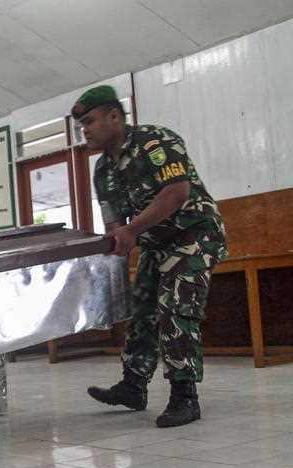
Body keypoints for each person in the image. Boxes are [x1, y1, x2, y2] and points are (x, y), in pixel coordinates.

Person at [75, 86, 227, 428]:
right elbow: (115, 226)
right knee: (141, 308)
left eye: (90, 121)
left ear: (115, 116)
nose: (84, 129)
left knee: (176, 307)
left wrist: (131, 231)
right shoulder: (102, 171)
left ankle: (184, 396)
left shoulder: (155, 142)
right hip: (156, 243)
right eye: (81, 124)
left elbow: (176, 193)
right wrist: (114, 250)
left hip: (194, 232)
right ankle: (133, 386)